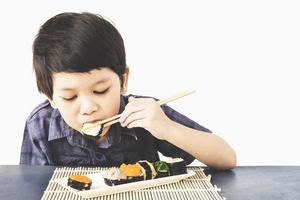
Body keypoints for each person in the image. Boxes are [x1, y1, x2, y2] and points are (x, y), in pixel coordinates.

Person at [20, 12, 236, 170]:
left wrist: (167, 129)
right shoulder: (40, 124)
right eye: (70, 97)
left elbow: (226, 158)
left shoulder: (146, 113)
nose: (88, 108)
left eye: (101, 90)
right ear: (51, 98)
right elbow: (29, 187)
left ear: (123, 81)